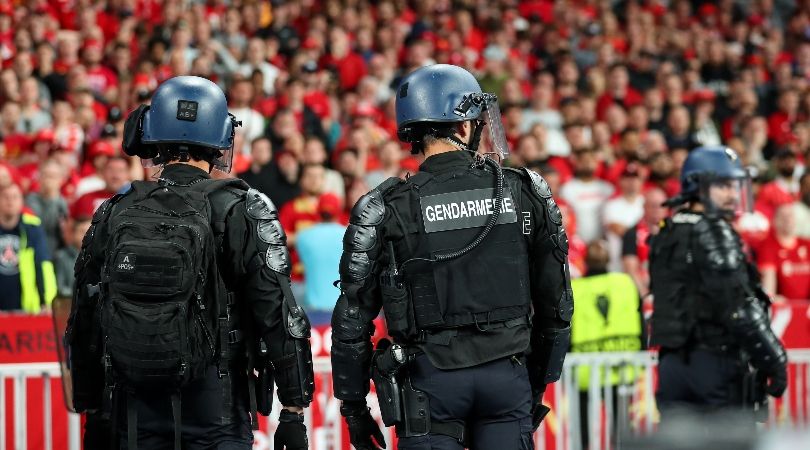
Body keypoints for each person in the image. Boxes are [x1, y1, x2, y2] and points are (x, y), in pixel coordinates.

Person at [331, 64, 572, 450]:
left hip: (429, 383)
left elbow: (352, 320)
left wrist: (354, 408)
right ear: (463, 128)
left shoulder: (386, 206)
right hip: (507, 377)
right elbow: (556, 304)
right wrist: (538, 383)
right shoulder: (524, 191)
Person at [66, 76, 313, 450]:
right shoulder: (241, 208)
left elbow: (84, 314)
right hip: (217, 408)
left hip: (131, 411)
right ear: (221, 138)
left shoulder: (116, 211)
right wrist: (293, 409)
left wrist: (90, 406)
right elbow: (279, 314)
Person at [649, 146, 787, 422]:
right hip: (714, 364)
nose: (733, 194)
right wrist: (774, 358)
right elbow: (738, 306)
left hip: (672, 365)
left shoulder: (669, 229)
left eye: (736, 186)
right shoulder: (714, 230)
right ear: (697, 186)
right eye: (723, 186)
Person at [0, 182, 57, 312]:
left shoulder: (32, 227)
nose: (10, 201)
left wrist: (47, 301)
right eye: (6, 197)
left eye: (15, 197)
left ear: (21, 202)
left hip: (26, 308)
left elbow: (43, 266)